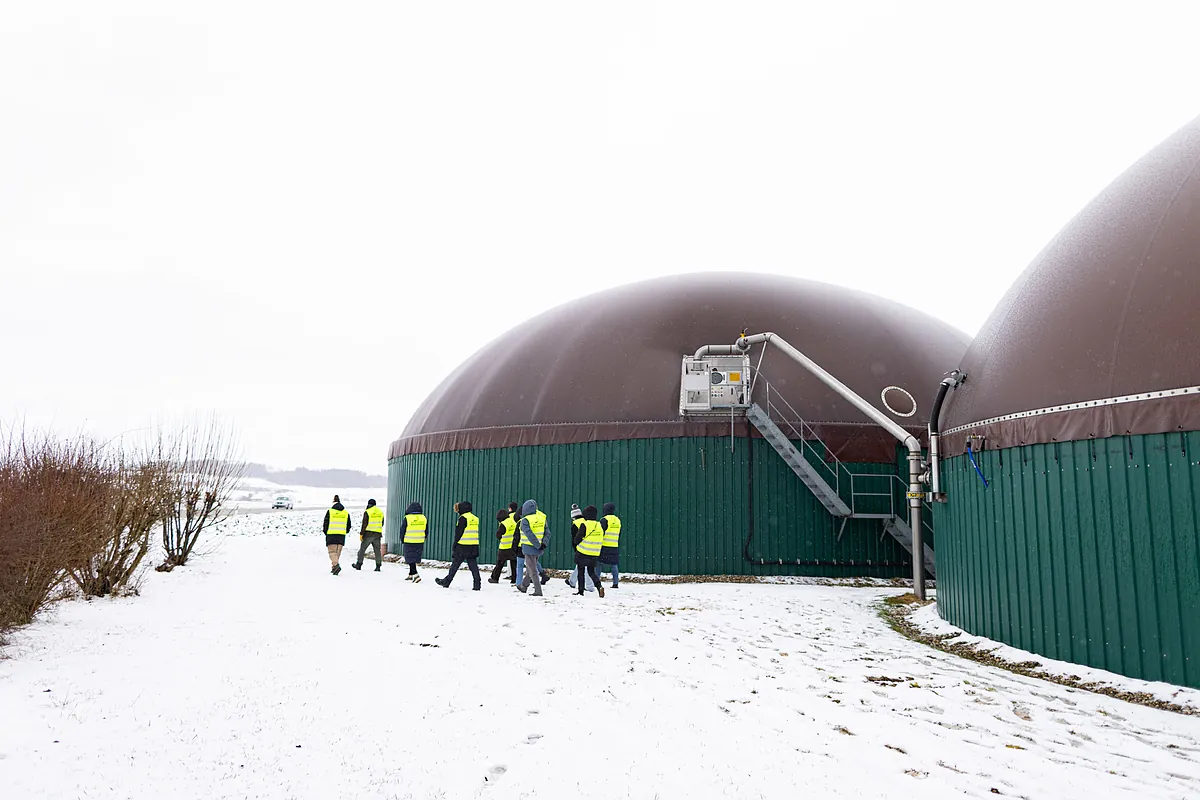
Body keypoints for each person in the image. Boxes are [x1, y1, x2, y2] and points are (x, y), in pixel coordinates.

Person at [436, 501, 481, 590]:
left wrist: (455, 544)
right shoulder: (475, 518)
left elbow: (458, 533)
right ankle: (477, 584)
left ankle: (447, 581)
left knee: (455, 565)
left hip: (462, 545)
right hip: (473, 545)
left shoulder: (462, 518)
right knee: (473, 566)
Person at [516, 499, 550, 596]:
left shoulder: (525, 520)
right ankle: (524, 585)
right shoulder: (542, 519)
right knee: (531, 567)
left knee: (533, 570)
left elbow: (529, 534)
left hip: (528, 547)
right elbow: (547, 533)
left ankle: (538, 590)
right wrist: (543, 544)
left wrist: (537, 545)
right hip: (538, 548)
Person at [574, 505, 605, 598]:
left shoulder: (585, 524)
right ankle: (599, 586)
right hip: (594, 553)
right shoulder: (599, 525)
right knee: (591, 572)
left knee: (581, 572)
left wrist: (576, 542)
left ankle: (580, 591)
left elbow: (577, 539)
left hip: (583, 552)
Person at [565, 504, 597, 592]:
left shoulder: (575, 525)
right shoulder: (586, 521)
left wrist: (575, 549)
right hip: (592, 545)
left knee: (585, 568)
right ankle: (572, 581)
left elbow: (574, 539)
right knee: (582, 566)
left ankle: (590, 586)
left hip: (582, 547)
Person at [397, 501, 427, 583]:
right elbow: (426, 530)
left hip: (409, 541)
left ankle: (416, 574)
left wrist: (402, 539)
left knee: (410, 558)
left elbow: (402, 530)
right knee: (414, 557)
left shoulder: (407, 518)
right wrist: (424, 538)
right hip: (420, 541)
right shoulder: (423, 518)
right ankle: (411, 574)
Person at [488, 506, 519, 584]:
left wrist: (502, 539)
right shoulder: (513, 522)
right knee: (514, 564)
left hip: (504, 547)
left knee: (499, 564)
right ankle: (514, 579)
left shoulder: (503, 524)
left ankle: (495, 578)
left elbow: (498, 534)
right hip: (513, 547)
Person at [353, 498, 384, 572]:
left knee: (362, 550)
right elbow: (382, 523)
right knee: (377, 551)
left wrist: (361, 534)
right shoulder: (380, 512)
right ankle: (378, 566)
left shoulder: (367, 512)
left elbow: (364, 524)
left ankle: (359, 564)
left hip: (368, 534)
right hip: (377, 534)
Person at [322, 494, 350, 575]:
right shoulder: (346, 513)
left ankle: (336, 565)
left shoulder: (330, 511)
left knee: (332, 552)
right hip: (341, 535)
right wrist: (345, 531)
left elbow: (326, 523)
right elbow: (348, 525)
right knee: (337, 553)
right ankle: (334, 567)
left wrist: (326, 532)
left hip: (331, 534)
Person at [598, 502, 622, 588]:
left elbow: (600, 532)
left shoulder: (604, 520)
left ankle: (596, 581)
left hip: (604, 545)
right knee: (614, 564)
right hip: (614, 545)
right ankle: (615, 583)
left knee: (599, 563)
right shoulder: (617, 520)